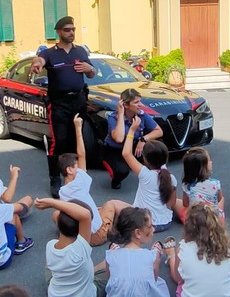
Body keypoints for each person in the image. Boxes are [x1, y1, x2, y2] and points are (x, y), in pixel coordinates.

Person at [31, 16, 96, 198]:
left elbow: (92, 73)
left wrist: (89, 69)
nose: (71, 33)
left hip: (79, 101)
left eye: (73, 29)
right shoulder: (50, 53)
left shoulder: (81, 51)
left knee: (77, 140)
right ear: (59, 32)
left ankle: (76, 175)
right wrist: (36, 65)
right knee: (58, 142)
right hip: (59, 104)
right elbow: (39, 61)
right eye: (67, 30)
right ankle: (55, 178)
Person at [56, 113, 114, 246]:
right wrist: (78, 128)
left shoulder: (62, 192)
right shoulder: (80, 181)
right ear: (69, 170)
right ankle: (111, 230)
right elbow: (82, 154)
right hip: (95, 235)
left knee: (56, 214)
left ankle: (70, 236)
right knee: (110, 204)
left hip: (81, 236)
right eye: (76, 166)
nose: (80, 167)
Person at [34, 198, 107, 297]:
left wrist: (52, 204)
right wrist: (51, 202)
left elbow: (82, 215)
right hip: (83, 294)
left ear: (58, 223)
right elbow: (85, 215)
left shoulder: (50, 245)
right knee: (112, 264)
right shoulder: (79, 251)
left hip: (55, 292)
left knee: (50, 267)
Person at [164, 202, 230, 297]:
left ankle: (170, 257)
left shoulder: (183, 249)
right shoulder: (226, 248)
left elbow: (178, 278)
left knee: (181, 281)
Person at [121, 116, 176, 232]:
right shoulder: (170, 177)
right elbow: (171, 203)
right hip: (165, 222)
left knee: (113, 204)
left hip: (144, 223)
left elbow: (126, 153)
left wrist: (131, 131)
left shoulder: (145, 174)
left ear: (145, 160)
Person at [102, 206, 170, 297]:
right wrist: (156, 258)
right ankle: (157, 250)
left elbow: (110, 280)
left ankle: (116, 249)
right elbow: (154, 279)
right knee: (159, 284)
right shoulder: (152, 257)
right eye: (150, 226)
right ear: (138, 233)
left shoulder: (111, 256)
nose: (153, 229)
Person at [103, 88, 163, 189]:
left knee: (157, 146)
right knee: (122, 171)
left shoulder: (141, 114)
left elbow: (159, 131)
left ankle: (155, 176)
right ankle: (115, 178)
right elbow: (119, 138)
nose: (141, 104)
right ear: (125, 105)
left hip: (133, 146)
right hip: (115, 150)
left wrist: (143, 139)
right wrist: (121, 114)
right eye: (136, 102)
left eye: (140, 101)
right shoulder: (113, 117)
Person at [173, 147, 225, 225]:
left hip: (194, 223)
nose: (211, 162)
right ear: (203, 168)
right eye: (209, 161)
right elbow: (219, 198)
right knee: (222, 200)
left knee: (176, 201)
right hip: (214, 223)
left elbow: (185, 204)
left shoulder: (186, 185)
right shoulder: (216, 183)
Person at [0, 199, 34, 270]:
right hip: (3, 261)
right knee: (13, 215)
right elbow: (20, 207)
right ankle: (22, 243)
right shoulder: (2, 209)